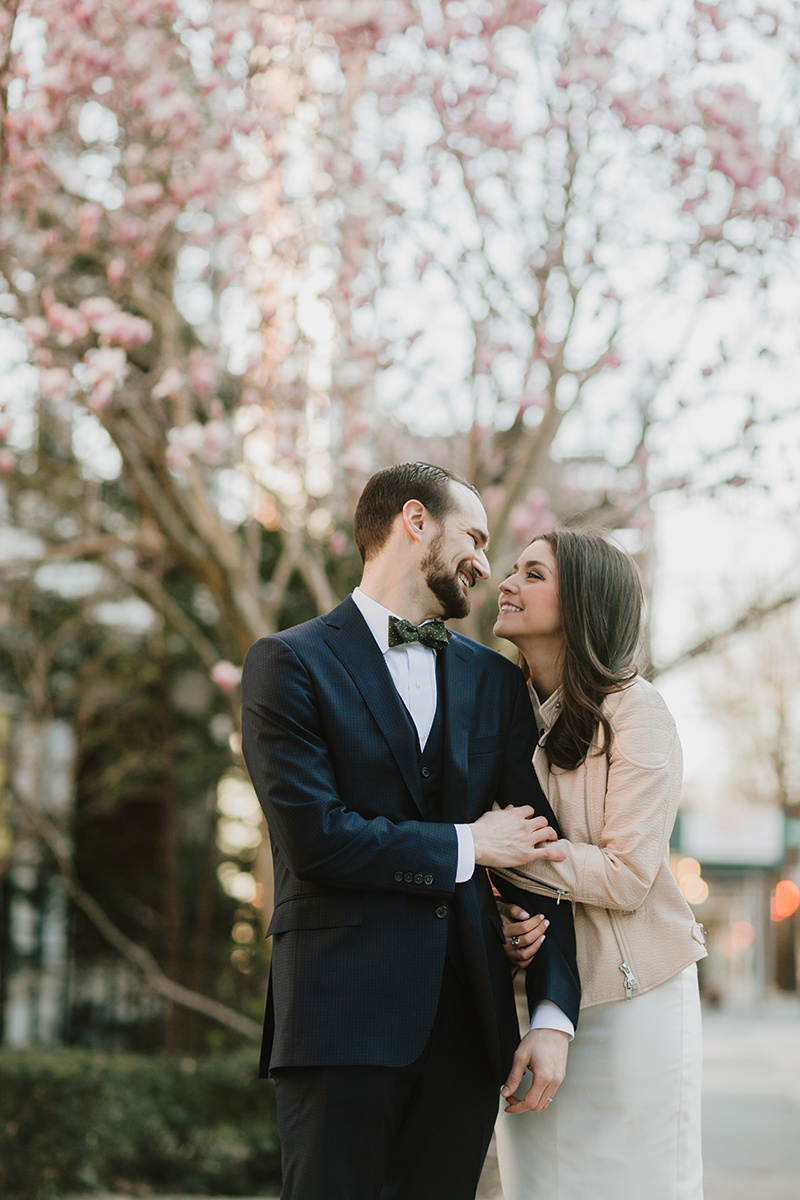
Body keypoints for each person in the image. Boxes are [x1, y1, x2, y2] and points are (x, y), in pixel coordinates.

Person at [241, 463, 580, 1200]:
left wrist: (553, 1014)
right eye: (478, 538)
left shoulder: (495, 682)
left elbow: (537, 855)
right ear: (416, 522)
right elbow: (318, 839)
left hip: (465, 1029)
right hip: (338, 1019)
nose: (488, 566)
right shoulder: (288, 663)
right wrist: (470, 846)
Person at [491, 528, 707, 1200]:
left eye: (532, 574)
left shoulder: (637, 713)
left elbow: (626, 874)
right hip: (535, 1003)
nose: (507, 583)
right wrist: (490, 894)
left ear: (581, 602)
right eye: (513, 569)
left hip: (633, 1003)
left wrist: (500, 851)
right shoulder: (499, 713)